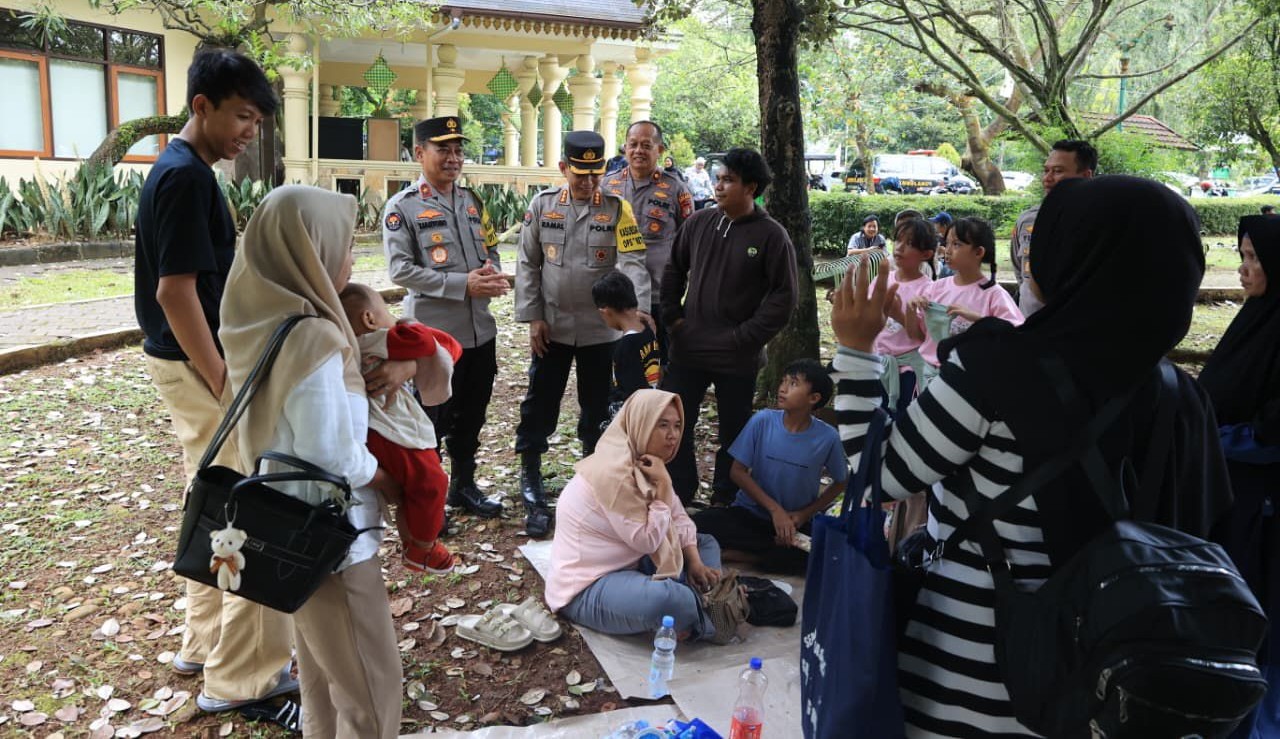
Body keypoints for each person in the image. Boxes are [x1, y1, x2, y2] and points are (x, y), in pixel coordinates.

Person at [831, 175, 1232, 737]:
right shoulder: (1180, 397)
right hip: (1111, 688)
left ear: (1075, 255)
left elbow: (877, 477)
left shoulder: (995, 369)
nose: (1026, 254)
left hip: (973, 680)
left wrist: (854, 350)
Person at [132, 47, 297, 717]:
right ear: (201, 106)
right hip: (197, 367)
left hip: (181, 364)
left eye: (257, 122)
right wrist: (225, 379)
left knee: (211, 501)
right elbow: (176, 293)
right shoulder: (185, 179)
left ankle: (202, 642)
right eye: (241, 117)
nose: (248, 133)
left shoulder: (184, 170)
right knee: (248, 511)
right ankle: (243, 677)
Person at [220, 185, 405, 738]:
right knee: (372, 689)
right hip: (334, 542)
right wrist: (391, 478)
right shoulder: (315, 337)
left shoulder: (258, 321)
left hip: (287, 532)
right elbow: (332, 455)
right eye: (343, 244)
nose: (350, 258)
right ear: (309, 250)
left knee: (323, 682)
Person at [515, 130, 651, 539]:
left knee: (596, 408)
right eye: (580, 175)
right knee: (541, 402)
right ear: (563, 169)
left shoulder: (617, 209)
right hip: (552, 327)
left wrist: (632, 314)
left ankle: (592, 478)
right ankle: (531, 477)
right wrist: (533, 316)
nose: (589, 182)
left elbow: (633, 261)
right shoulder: (542, 207)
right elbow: (527, 263)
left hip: (600, 332)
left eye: (595, 174)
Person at [383, 116, 508, 519]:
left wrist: (491, 272)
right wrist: (462, 285)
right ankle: (427, 505)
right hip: (434, 339)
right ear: (419, 153)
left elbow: (489, 248)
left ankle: (464, 487)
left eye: (458, 150)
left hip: (479, 333)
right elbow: (400, 271)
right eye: (443, 150)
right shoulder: (402, 207)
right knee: (430, 423)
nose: (454, 159)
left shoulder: (472, 201)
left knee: (471, 417)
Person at [660, 147, 798, 507]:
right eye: (718, 179)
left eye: (728, 181)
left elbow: (784, 297)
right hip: (688, 348)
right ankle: (680, 494)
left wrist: (744, 338)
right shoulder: (699, 222)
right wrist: (673, 319)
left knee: (735, 433)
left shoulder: (771, 235)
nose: (719, 187)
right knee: (675, 423)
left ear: (750, 187)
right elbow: (674, 269)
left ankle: (725, 499)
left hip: (738, 357)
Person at [545, 390, 732, 640]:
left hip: (631, 563)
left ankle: (696, 603)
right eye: (662, 425)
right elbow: (647, 540)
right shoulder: (615, 473)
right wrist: (664, 488)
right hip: (589, 586)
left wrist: (695, 562)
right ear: (640, 424)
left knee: (703, 543)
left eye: (677, 426)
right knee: (669, 599)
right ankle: (706, 614)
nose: (672, 435)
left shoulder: (645, 463)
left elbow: (678, 518)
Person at [1200, 216, 1280, 739]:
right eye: (1242, 256)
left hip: (1267, 511)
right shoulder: (1257, 320)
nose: (1244, 269)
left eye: (1253, 258)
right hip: (1237, 501)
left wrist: (1212, 437)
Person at [339, 282, 462, 573]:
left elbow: (444, 347)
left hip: (377, 429)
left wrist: (409, 365)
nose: (394, 320)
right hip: (386, 429)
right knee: (432, 481)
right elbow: (441, 343)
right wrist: (406, 323)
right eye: (387, 313)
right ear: (369, 320)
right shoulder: (380, 339)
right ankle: (423, 548)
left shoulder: (363, 343)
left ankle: (413, 543)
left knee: (411, 489)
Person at [691, 359, 848, 575]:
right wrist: (775, 510)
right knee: (692, 527)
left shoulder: (828, 437)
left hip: (793, 524)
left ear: (814, 398)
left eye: (793, 384)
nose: (782, 388)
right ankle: (757, 554)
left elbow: (841, 481)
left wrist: (803, 514)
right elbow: (737, 472)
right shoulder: (762, 421)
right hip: (749, 514)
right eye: (783, 381)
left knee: (825, 557)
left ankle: (743, 555)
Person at [602, 121, 694, 361]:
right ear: (625, 148)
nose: (638, 151)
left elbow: (690, 241)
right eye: (633, 145)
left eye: (646, 145)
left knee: (657, 358)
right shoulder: (607, 186)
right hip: (616, 292)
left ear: (660, 150)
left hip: (658, 294)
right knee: (616, 358)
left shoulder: (676, 189)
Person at [899, 216, 1023, 383]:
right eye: (947, 243)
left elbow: (1016, 336)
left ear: (979, 252)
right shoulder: (935, 288)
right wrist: (911, 310)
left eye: (956, 244)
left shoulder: (993, 294)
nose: (947, 250)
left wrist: (978, 319)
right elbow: (917, 335)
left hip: (968, 381)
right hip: (928, 376)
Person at [1011, 139, 1097, 316]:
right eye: (1046, 170)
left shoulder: (1099, 222)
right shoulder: (1027, 220)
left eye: (1058, 171)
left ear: (1086, 176)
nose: (1047, 178)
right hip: (1030, 326)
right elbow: (1019, 269)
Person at [872, 217, 936, 414]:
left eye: (909, 244)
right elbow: (868, 320)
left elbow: (921, 337)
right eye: (897, 240)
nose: (899, 247)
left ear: (926, 254)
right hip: (877, 365)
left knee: (903, 423)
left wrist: (899, 314)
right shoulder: (881, 280)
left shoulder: (929, 290)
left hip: (908, 372)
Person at [592, 270, 661, 422]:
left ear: (605, 312)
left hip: (632, 418)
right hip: (652, 406)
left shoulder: (625, 347)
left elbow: (631, 390)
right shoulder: (648, 331)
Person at [930, 212, 953, 278]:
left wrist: (945, 252)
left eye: (936, 223)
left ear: (944, 226)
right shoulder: (937, 238)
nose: (934, 225)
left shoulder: (954, 239)